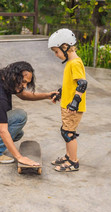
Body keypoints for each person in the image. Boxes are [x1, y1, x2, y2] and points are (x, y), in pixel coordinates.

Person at [0, 61, 57, 166]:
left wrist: (47, 95)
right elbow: (2, 131)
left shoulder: (2, 76)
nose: (25, 86)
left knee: (17, 134)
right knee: (20, 116)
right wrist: (19, 157)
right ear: (14, 76)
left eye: (27, 83)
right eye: (23, 81)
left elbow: (23, 95)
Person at [48, 28, 87, 172]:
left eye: (56, 51)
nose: (56, 55)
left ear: (65, 47)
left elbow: (82, 84)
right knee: (65, 131)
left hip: (72, 107)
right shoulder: (70, 63)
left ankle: (73, 161)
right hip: (67, 105)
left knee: (68, 133)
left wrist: (75, 103)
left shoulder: (75, 63)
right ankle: (68, 155)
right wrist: (60, 93)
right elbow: (70, 83)